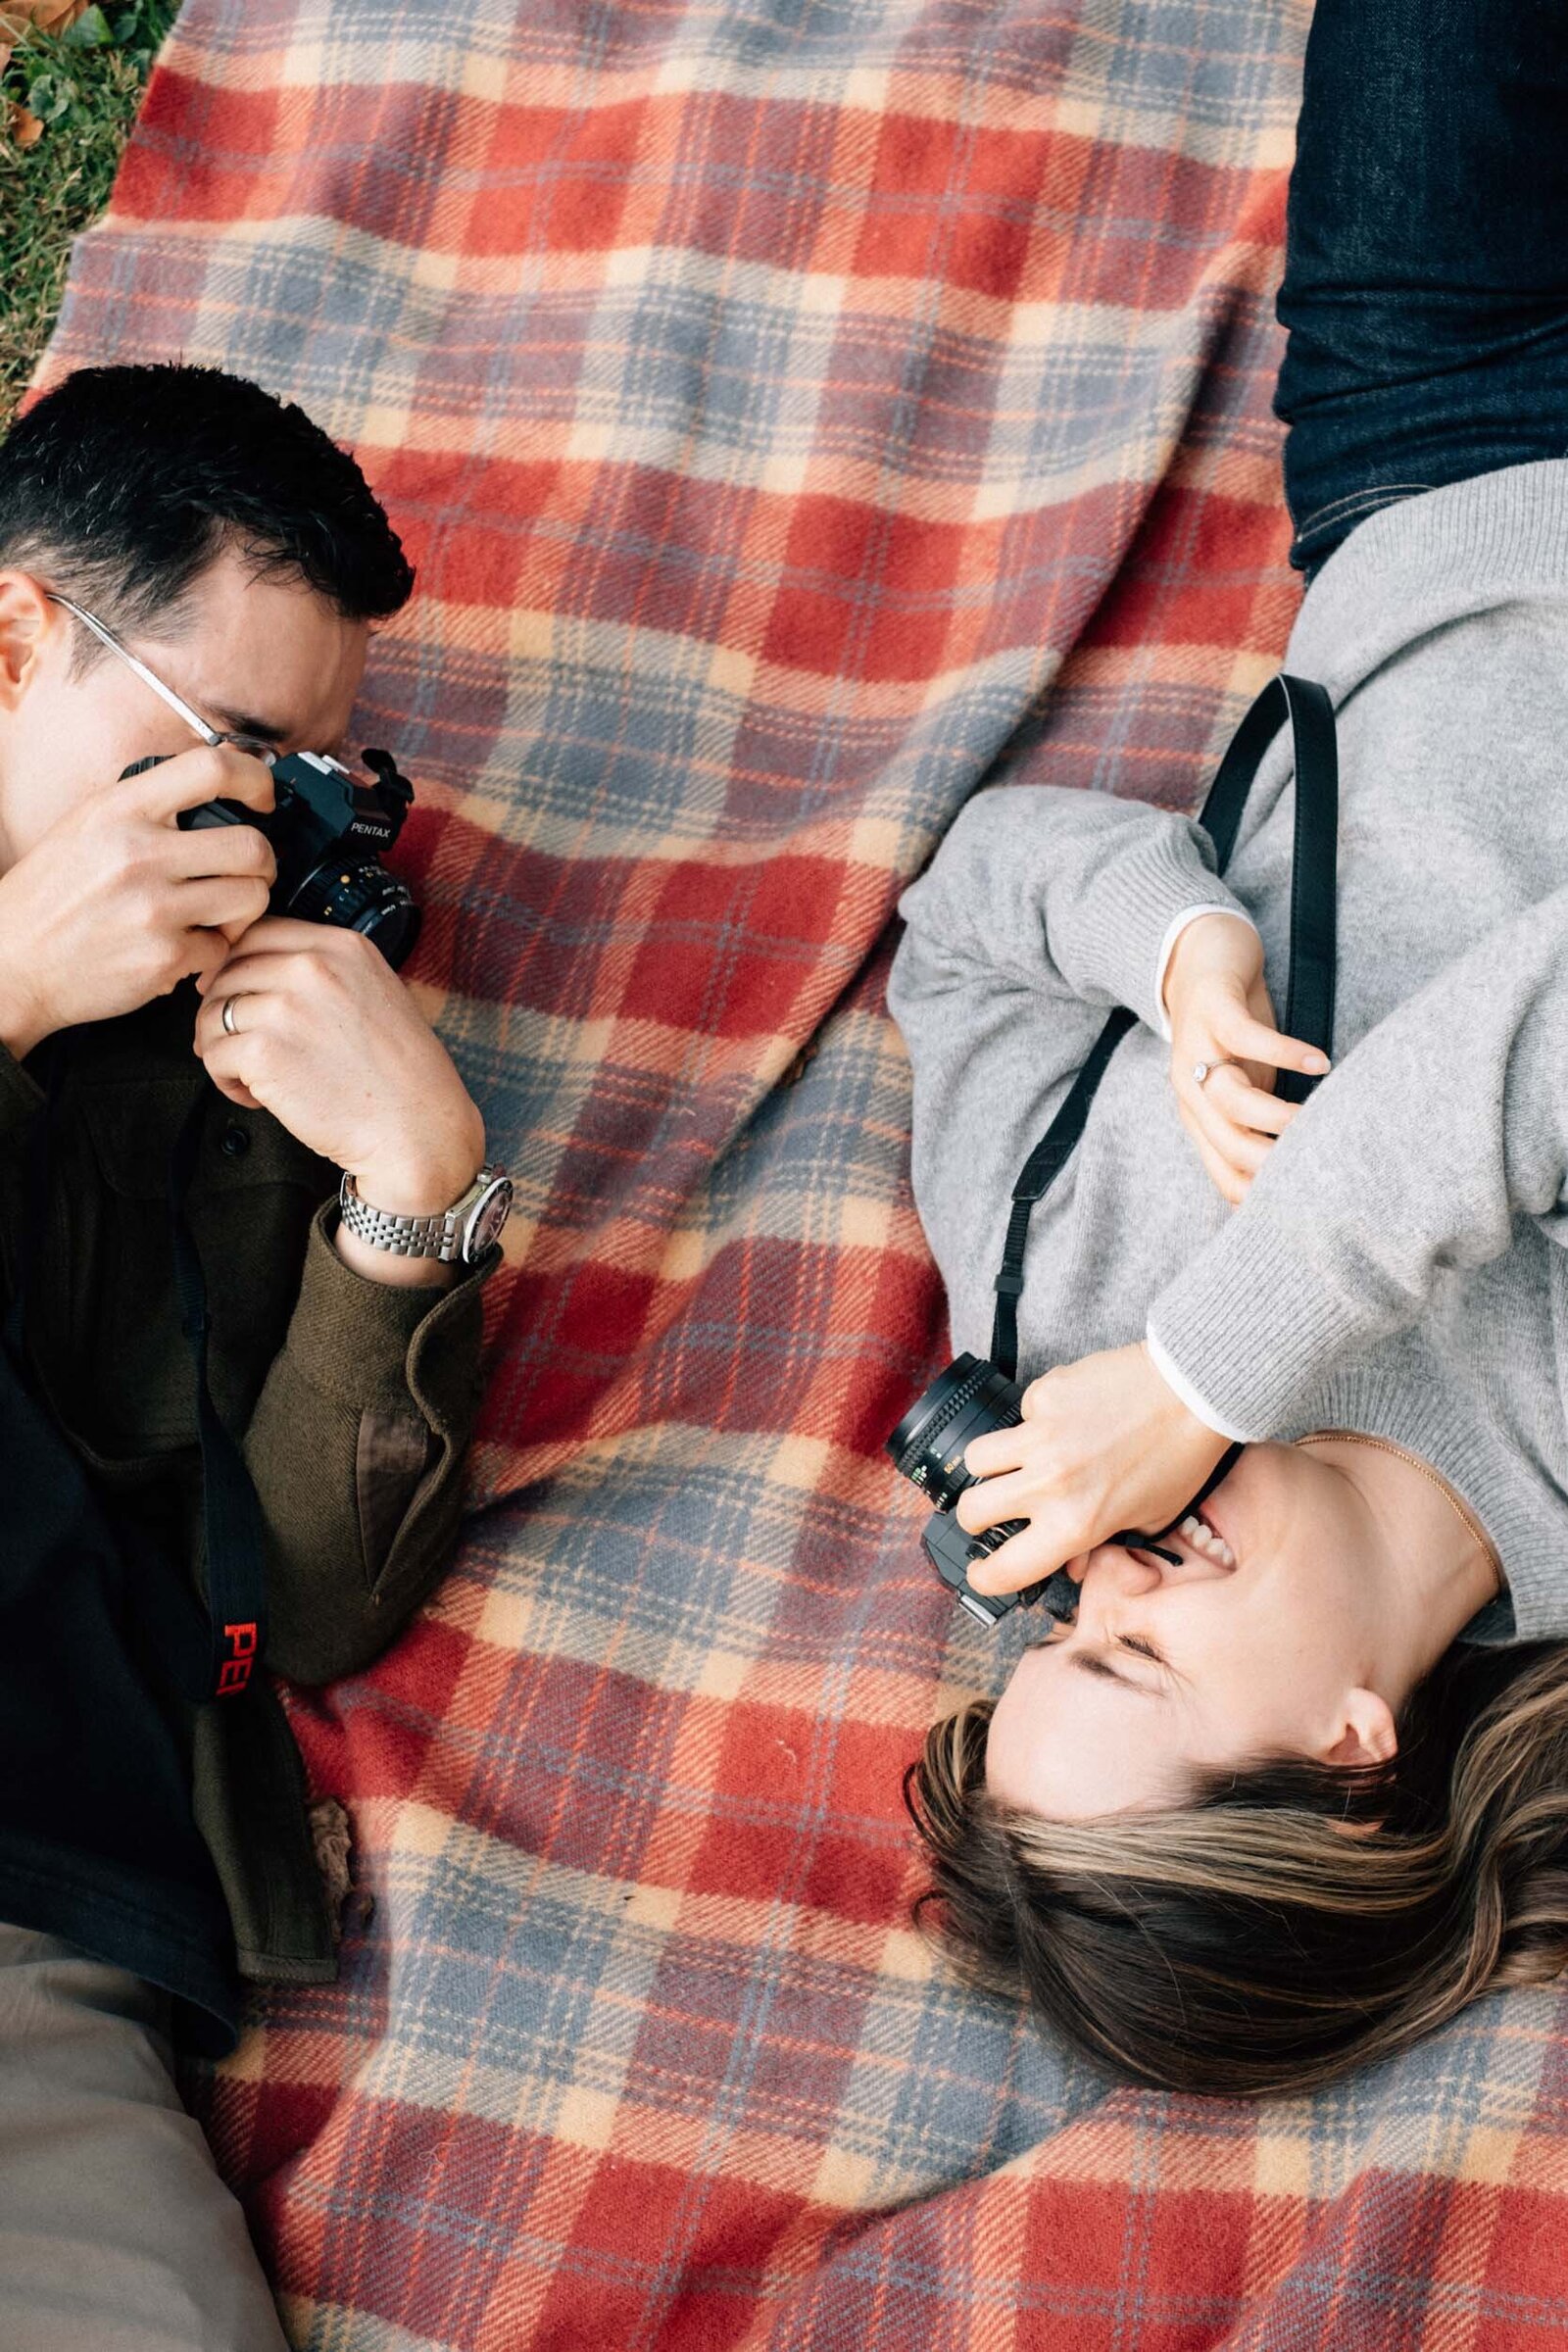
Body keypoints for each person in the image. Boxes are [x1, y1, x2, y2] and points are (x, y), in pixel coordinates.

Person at [891, 0, 1568, 2099]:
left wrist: (1174, 949)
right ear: (1351, 1757)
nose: (1097, 1555)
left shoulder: (1054, 1314)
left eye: (1048, 1617)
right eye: (1131, 1650)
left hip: (1428, 436)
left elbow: (963, 917)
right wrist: (1208, 1369)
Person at [0, 365, 510, 2347]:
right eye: (241, 746)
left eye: (327, 779)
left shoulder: (219, 1047)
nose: (280, 821)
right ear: (20, 637)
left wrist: (413, 1196)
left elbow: (291, 1601)